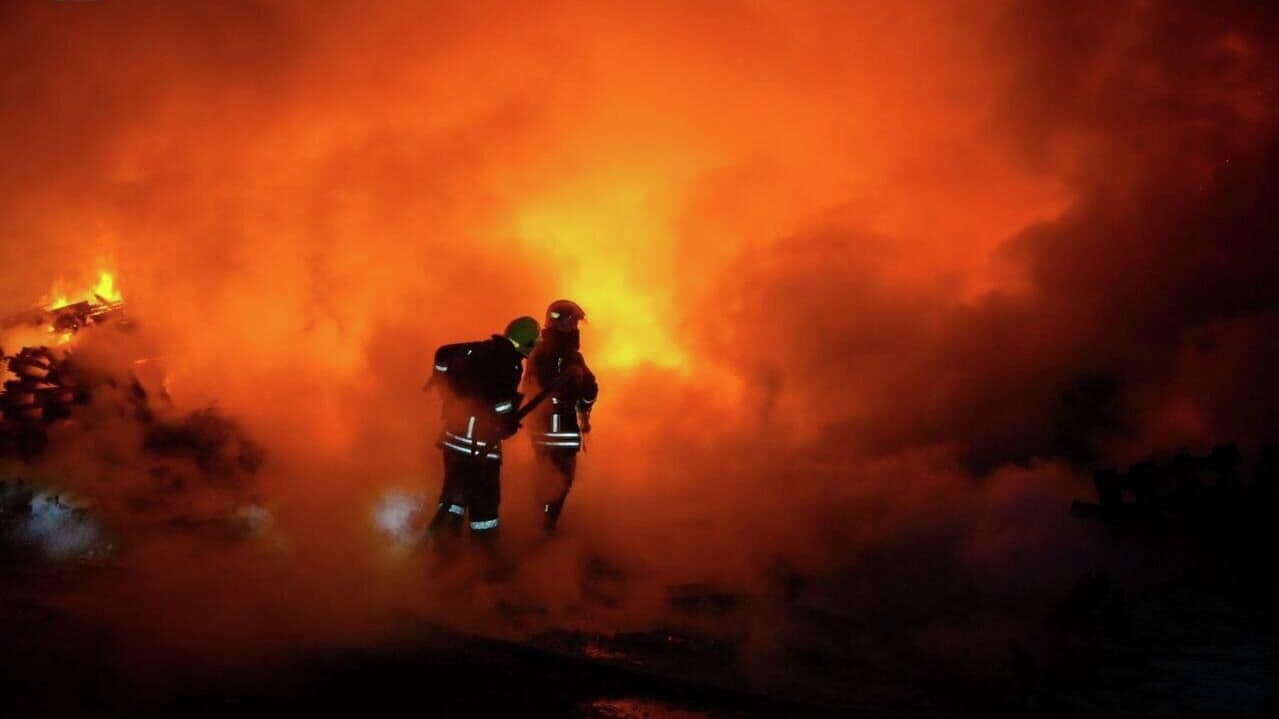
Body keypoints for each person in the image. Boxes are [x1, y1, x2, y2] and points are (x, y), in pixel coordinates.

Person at [426, 316, 539, 541]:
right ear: (527, 343)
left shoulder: (483, 350)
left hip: (454, 438)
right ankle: (483, 553)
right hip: (477, 443)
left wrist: (440, 382)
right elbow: (499, 400)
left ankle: (443, 549)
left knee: (454, 497)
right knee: (484, 502)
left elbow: (443, 353)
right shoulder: (509, 362)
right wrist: (507, 421)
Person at [523, 299, 598, 531]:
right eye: (571, 322)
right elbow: (538, 387)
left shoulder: (559, 353)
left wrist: (584, 394)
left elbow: (589, 388)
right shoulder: (553, 353)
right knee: (556, 480)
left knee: (554, 479)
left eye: (576, 322)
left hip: (554, 428)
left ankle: (543, 523)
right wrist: (579, 388)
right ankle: (543, 525)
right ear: (557, 322)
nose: (574, 327)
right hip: (555, 430)